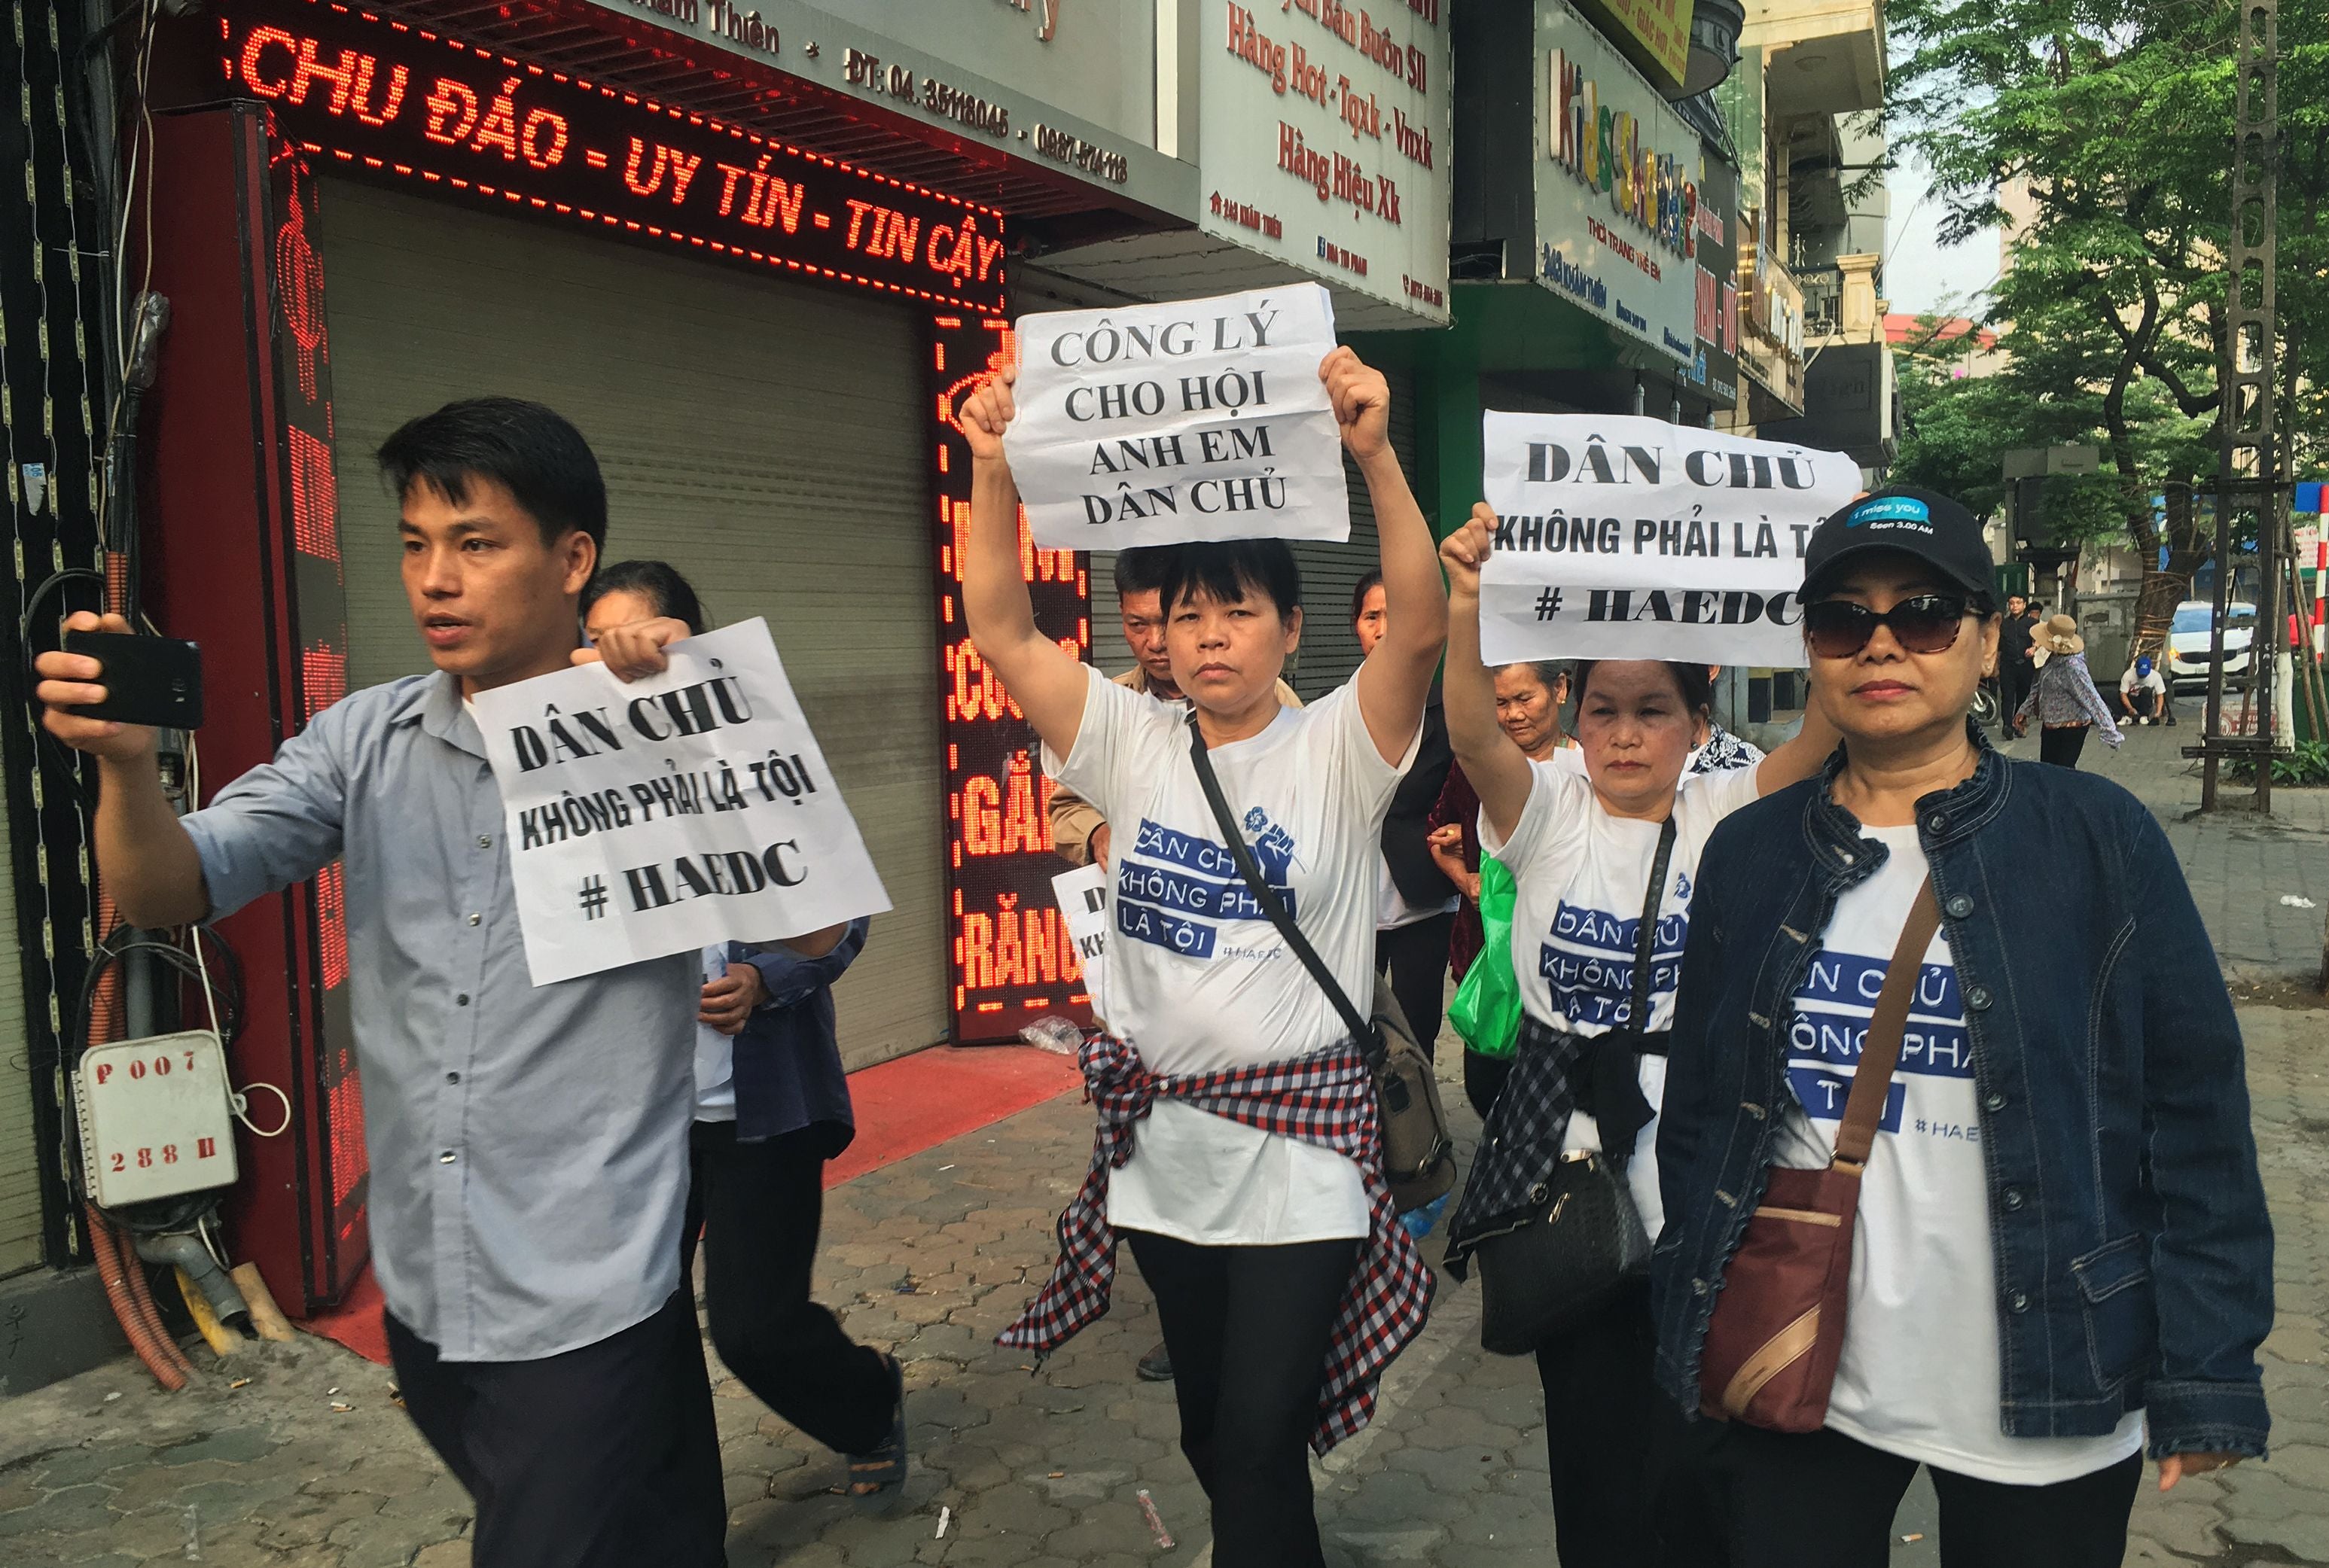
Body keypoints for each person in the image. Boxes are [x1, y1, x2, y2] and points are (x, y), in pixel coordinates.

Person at [31, 398, 849, 1567]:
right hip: (429, 1279)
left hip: (590, 1285)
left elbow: (815, 927)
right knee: (659, 1535)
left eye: (476, 542)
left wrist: (700, 726)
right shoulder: (360, 742)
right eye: (415, 543)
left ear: (571, 560)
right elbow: (173, 888)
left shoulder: (649, 741)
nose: (436, 578)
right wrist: (124, 770)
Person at [1653, 486, 2273, 1568]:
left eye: (1926, 613)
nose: (1882, 642)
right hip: (1803, 1361)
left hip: (2047, 1369)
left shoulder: (2096, 838)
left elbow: (2194, 1107)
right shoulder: (1749, 853)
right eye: (1847, 617)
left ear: (1989, 643)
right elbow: (1705, 1108)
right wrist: (1687, 1310)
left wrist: (2208, 1364)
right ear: (1813, 647)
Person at [962, 347, 1443, 1566]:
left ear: (1291, 625)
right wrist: (991, 464)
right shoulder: (1129, 736)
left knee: (1258, 1425)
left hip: (1301, 1153)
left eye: (1238, 608)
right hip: (1168, 1153)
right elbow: (1001, 624)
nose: (1209, 634)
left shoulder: (1341, 741)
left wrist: (1375, 453)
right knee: (1209, 1428)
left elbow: (1423, 620)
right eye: (1185, 612)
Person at [1434, 502, 1840, 1568]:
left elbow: (1821, 736)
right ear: (1572, 714)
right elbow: (1474, 731)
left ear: (1696, 723)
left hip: (1703, 1182)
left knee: (1696, 1447)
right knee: (1592, 1450)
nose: (1623, 732)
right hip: (1567, 1185)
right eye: (1603, 707)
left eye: (1652, 709)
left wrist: (1830, 592)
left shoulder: (1725, 812)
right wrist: (1469, 599)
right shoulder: (1548, 809)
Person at [579, 561, 901, 1509]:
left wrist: (766, 977)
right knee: (645, 1327)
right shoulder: (567, 790)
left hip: (761, 1107)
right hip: (640, 1116)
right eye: (601, 645)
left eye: (646, 642)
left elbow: (844, 921)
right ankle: (683, 1529)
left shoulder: (758, 760)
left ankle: (865, 1398)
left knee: (753, 1327)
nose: (626, 664)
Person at [1046, 544, 1299, 1387]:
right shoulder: (1105, 709)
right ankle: (1187, 1312)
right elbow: (1062, 805)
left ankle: (1271, 1313)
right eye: (1148, 623)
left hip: (1254, 996)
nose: (1170, 640)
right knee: (1145, 1149)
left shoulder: (1280, 709)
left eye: (1184, 616)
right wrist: (1100, 836)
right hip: (1138, 975)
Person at [1050, 546, 1300, 871]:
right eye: (1137, 625)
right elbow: (1069, 806)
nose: (1156, 641)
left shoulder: (1274, 702)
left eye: (1170, 621)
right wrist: (1097, 834)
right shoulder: (1112, 706)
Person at [1426, 659, 1571, 1117]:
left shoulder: (1586, 773)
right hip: (1490, 966)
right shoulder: (1475, 772)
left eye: (1524, 699)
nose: (1513, 715)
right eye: (1500, 704)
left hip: (1564, 970)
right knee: (1488, 1088)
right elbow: (1436, 835)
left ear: (1560, 690)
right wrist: (1465, 879)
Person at [1354, 568, 1459, 1053]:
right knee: (1352, 1029)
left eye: (1395, 615)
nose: (1383, 628)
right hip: (1350, 903)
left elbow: (1472, 792)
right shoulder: (1335, 713)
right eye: (1372, 615)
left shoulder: (1451, 712)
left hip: (1422, 896)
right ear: (1357, 627)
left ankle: (1419, 1129)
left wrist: (1462, 831)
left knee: (1416, 1034)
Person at [2018, 613, 2123, 768]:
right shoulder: (2054, 658)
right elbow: (2040, 685)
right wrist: (2024, 710)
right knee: (2048, 771)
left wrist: (2110, 731)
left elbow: (2091, 698)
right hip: (2051, 726)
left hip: (2071, 730)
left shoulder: (2073, 667)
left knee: (2062, 773)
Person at [1998, 594, 2038, 738]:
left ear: (2024, 605)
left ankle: (2019, 725)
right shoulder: (2003, 624)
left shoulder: (2032, 623)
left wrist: (2034, 649)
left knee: (2023, 697)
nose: (2015, 606)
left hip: (2026, 665)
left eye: (2018, 603)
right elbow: (1998, 646)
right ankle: (2007, 726)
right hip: (2008, 665)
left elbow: (2041, 640)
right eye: (2012, 603)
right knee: (2007, 696)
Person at [2118, 653, 2168, 726]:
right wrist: (2130, 708)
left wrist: (2158, 713)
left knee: (2146, 690)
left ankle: (2144, 715)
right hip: (2132, 699)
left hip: (2145, 701)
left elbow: (2160, 695)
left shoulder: (2156, 676)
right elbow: (2123, 694)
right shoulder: (2128, 675)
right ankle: (2126, 715)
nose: (2142, 676)